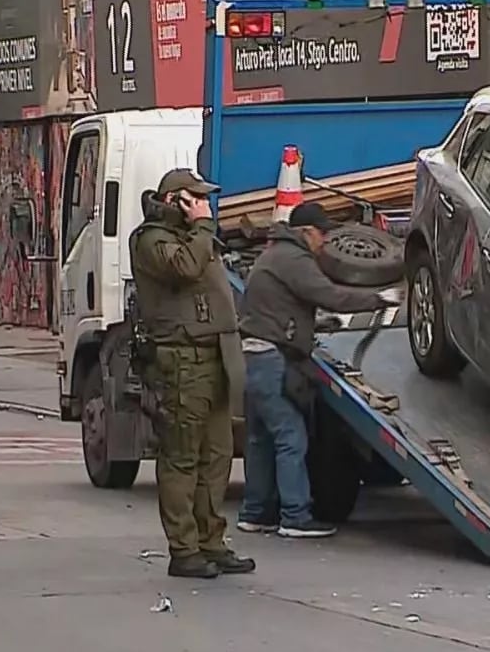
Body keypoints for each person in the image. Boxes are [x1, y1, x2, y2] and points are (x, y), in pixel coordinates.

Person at [236, 202, 402, 539]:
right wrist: (379, 299)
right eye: (322, 234)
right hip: (272, 358)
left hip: (254, 355)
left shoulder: (271, 256)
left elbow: (282, 305)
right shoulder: (294, 259)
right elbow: (330, 295)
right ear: (306, 232)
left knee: (261, 439)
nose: (325, 241)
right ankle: (295, 517)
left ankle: (255, 513)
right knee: (291, 436)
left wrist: (313, 323)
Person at [128, 168, 253, 579]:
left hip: (213, 355)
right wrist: (200, 224)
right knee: (182, 456)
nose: (203, 205)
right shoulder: (152, 240)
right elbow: (183, 269)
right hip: (180, 359)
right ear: (174, 201)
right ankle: (184, 548)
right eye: (194, 198)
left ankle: (210, 540)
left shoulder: (195, 237)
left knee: (216, 455)